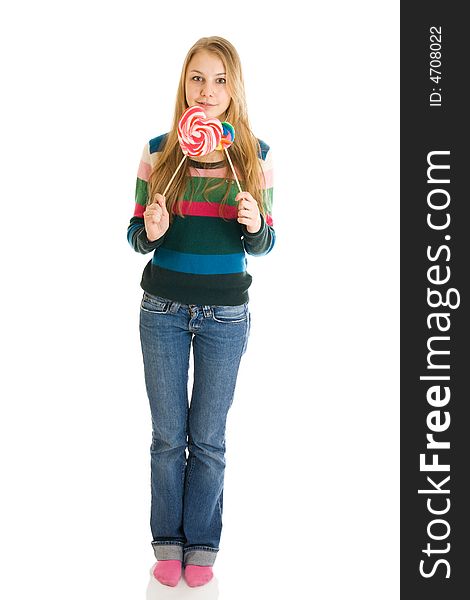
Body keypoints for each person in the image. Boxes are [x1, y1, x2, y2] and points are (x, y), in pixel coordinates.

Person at [127, 36, 275, 588]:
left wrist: (256, 224)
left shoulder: (255, 157)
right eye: (197, 78)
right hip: (161, 308)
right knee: (168, 436)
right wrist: (152, 231)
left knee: (208, 439)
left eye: (218, 80)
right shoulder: (159, 151)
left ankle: (202, 545)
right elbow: (135, 234)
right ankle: (167, 543)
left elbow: (266, 244)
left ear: (233, 88)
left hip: (226, 317)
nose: (207, 91)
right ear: (184, 84)